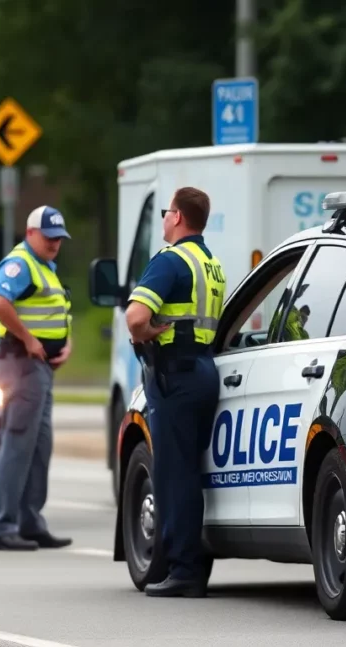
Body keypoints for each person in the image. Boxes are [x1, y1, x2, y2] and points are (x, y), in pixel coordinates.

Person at [125, 186, 226, 598]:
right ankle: (189, 564)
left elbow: (135, 317)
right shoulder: (211, 263)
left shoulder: (171, 261)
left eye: (167, 212)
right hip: (203, 369)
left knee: (175, 473)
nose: (164, 218)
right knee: (190, 471)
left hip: (174, 375)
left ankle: (184, 570)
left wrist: (147, 333)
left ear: (178, 218)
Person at [0, 205, 75, 551]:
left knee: (39, 446)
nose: (55, 244)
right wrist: (29, 339)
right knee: (18, 444)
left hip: (40, 366)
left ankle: (29, 521)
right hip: (21, 362)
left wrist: (65, 342)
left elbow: (58, 310)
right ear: (31, 233)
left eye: (59, 239)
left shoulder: (44, 266)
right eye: (49, 237)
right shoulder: (19, 263)